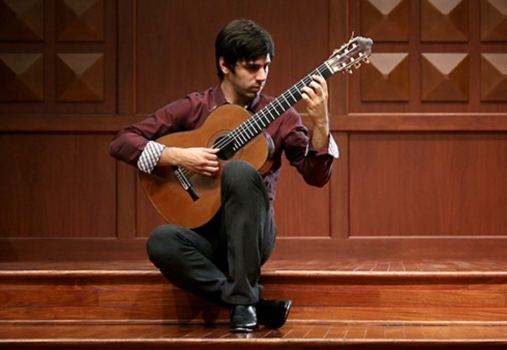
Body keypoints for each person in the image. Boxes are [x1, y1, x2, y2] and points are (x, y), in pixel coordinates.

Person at [110, 19, 339, 333]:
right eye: (252, 67)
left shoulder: (284, 115)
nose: (262, 76)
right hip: (205, 234)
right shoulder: (195, 107)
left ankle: (243, 301)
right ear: (225, 64)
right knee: (161, 241)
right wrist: (179, 155)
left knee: (240, 170)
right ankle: (249, 305)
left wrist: (322, 124)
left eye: (266, 67)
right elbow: (123, 141)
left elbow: (316, 176)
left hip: (254, 234)